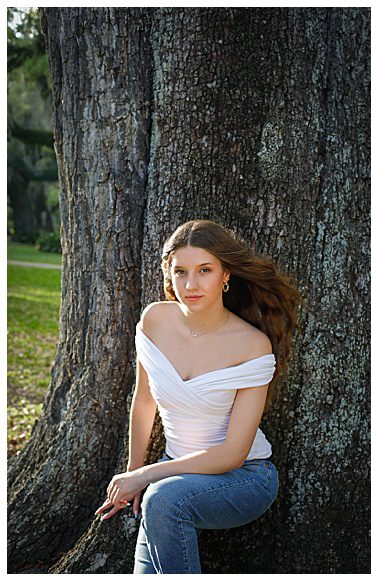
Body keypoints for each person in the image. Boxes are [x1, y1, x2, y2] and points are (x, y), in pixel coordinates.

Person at [95, 219, 301, 573]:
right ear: (169, 275)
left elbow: (233, 454)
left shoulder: (252, 345)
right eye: (181, 272)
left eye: (205, 270)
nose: (191, 284)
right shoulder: (155, 320)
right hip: (173, 481)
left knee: (162, 498)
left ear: (226, 275)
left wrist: (147, 476)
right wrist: (133, 473)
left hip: (246, 478)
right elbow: (144, 402)